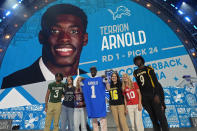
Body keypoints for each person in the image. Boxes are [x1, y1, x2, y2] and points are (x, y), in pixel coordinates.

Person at [1, 4, 88, 89]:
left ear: (85, 39)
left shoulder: (92, 82)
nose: (64, 38)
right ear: (41, 37)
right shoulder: (14, 84)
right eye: (55, 31)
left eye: (73, 31)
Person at [133, 56, 169, 131]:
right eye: (136, 61)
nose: (137, 62)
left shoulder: (148, 69)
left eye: (139, 60)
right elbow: (139, 86)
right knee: (153, 119)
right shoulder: (135, 72)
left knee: (161, 117)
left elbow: (155, 82)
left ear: (142, 60)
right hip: (145, 98)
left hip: (153, 95)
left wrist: (157, 95)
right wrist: (142, 100)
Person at [81, 66, 108, 131]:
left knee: (102, 119)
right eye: (91, 71)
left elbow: (107, 86)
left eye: (94, 70)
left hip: (99, 101)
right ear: (90, 72)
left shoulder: (100, 79)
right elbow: (81, 88)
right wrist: (80, 79)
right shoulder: (87, 80)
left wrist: (105, 78)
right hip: (92, 102)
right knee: (94, 120)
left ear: (96, 71)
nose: (92, 72)